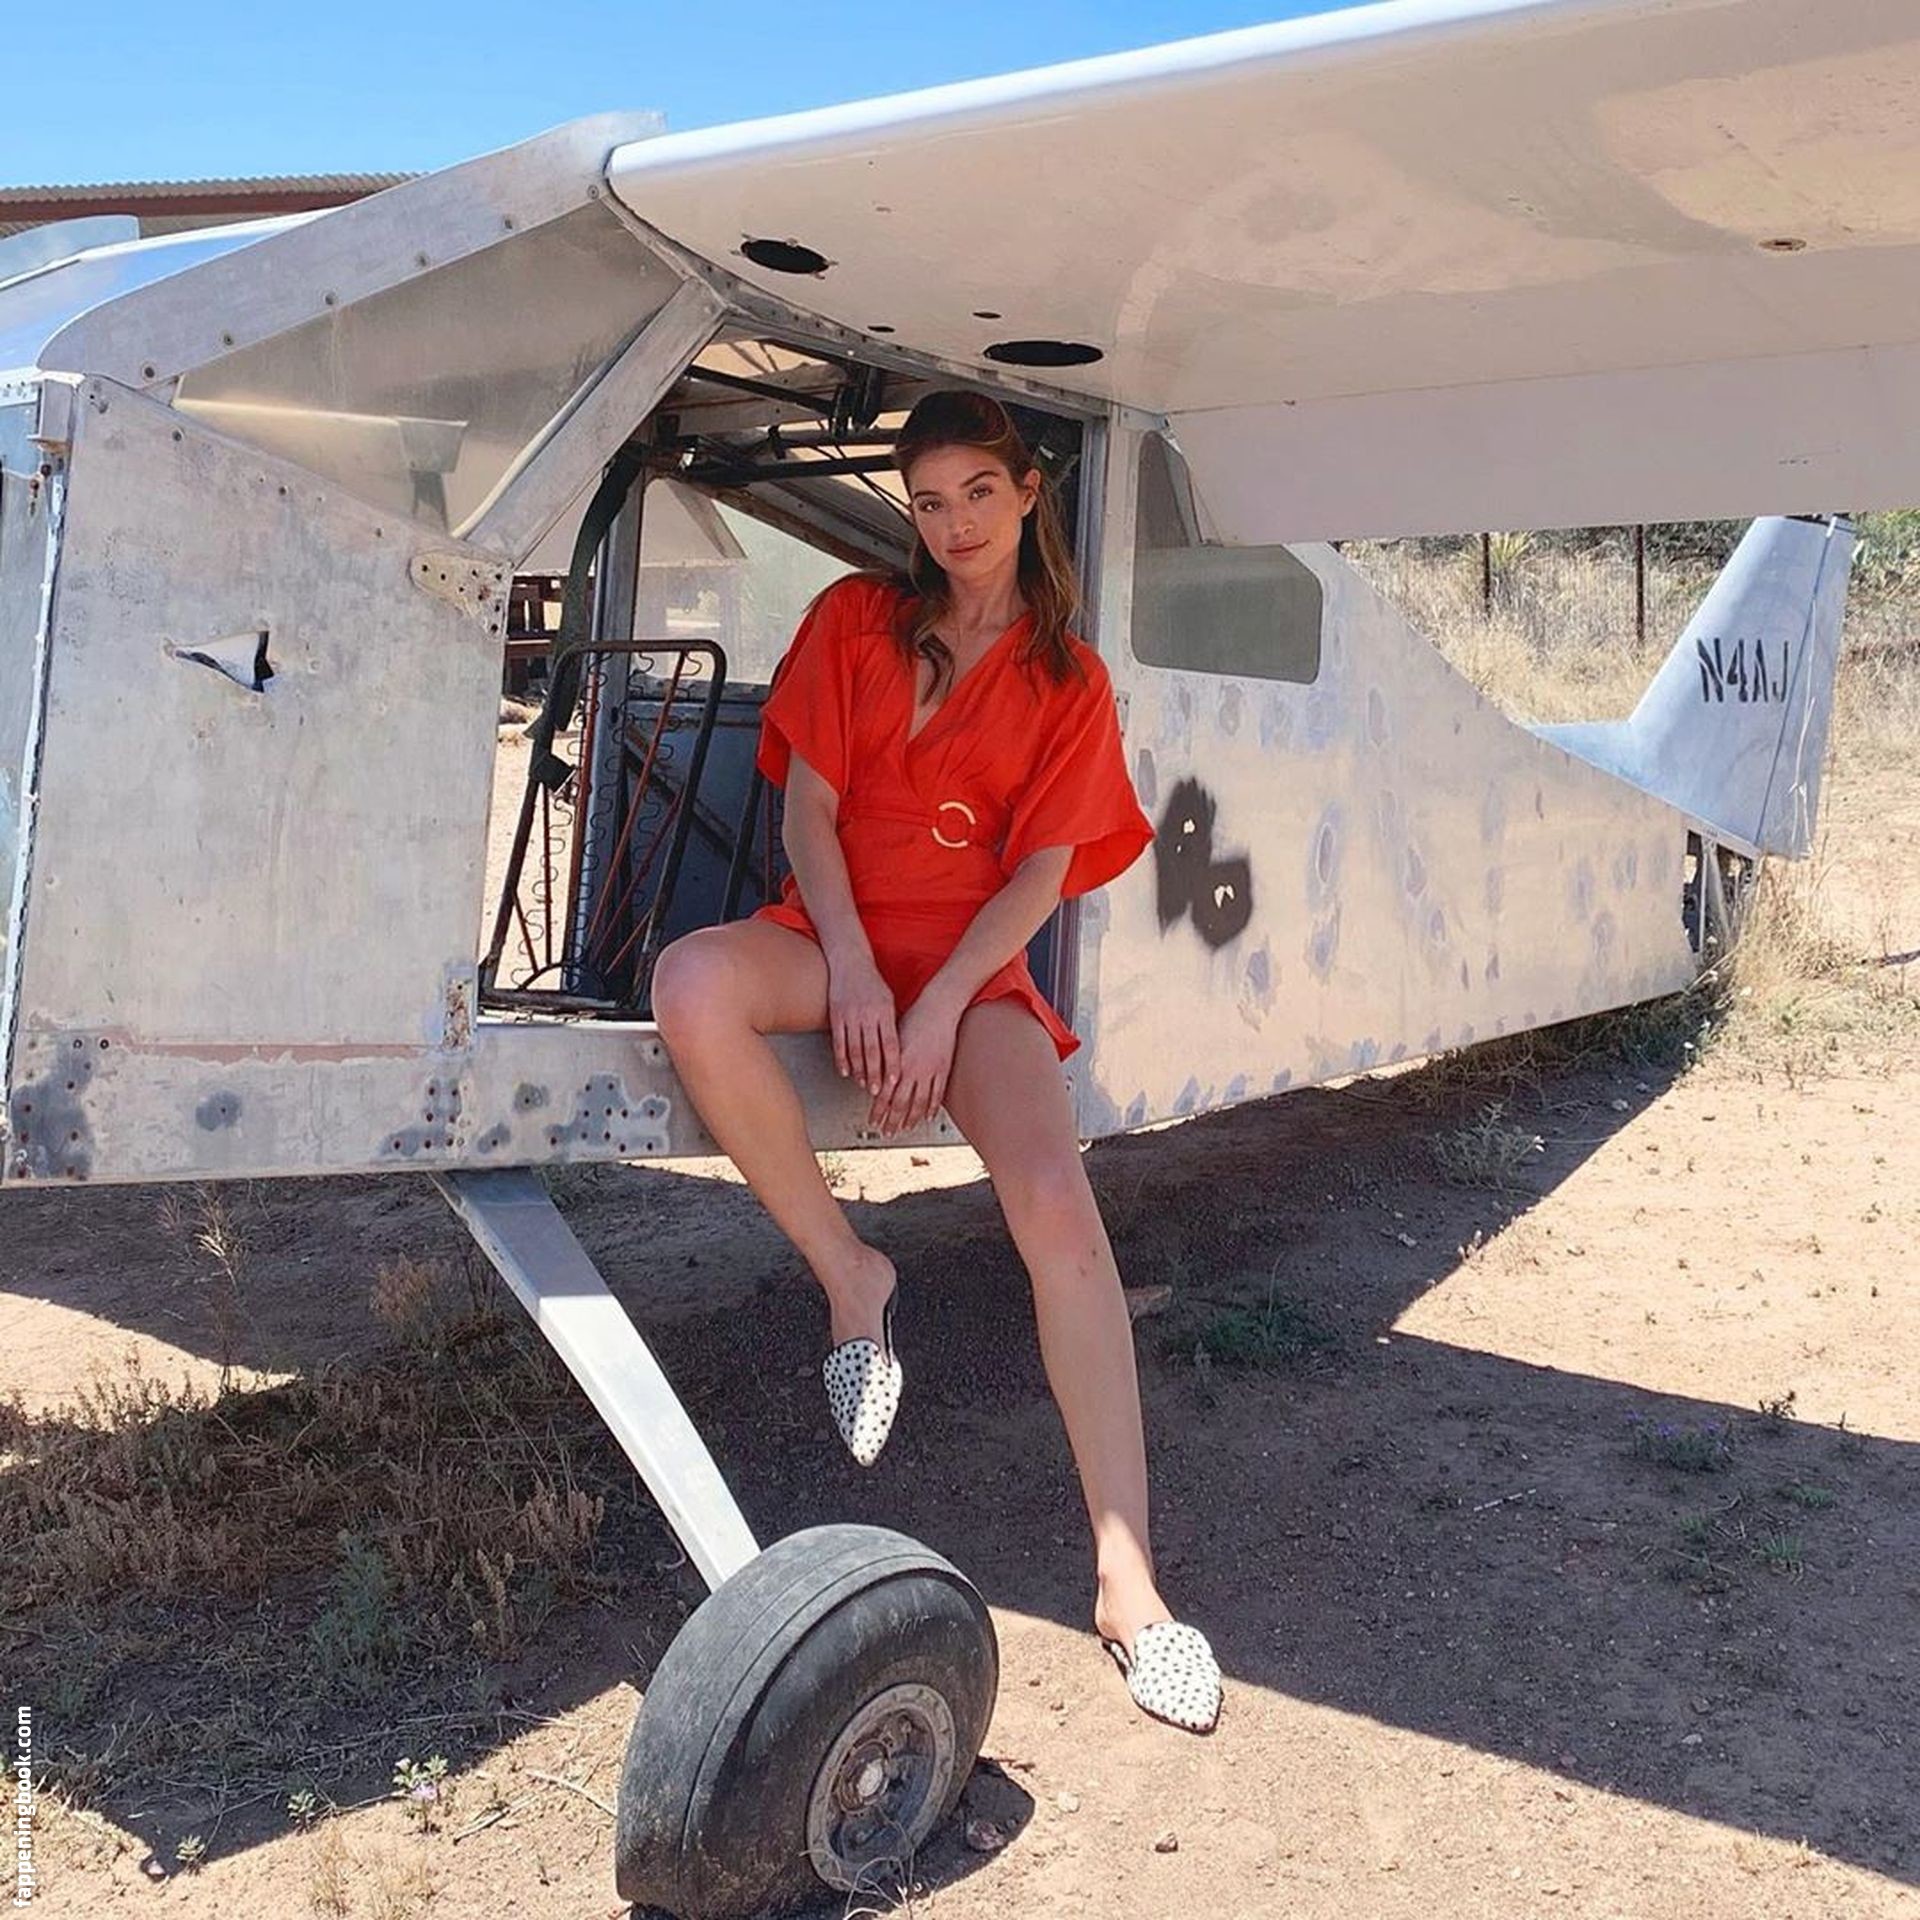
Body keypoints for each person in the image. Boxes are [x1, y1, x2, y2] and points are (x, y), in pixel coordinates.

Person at [650, 390, 1221, 1733]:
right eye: (927, 501)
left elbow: (1037, 878)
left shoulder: (1068, 678)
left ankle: (1127, 1578)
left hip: (972, 972)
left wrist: (941, 1004)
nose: (953, 524)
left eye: (977, 493)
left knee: (1059, 1210)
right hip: (835, 937)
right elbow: (808, 809)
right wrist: (853, 968)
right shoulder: (856, 619)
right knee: (692, 984)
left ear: (1027, 494)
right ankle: (852, 1273)